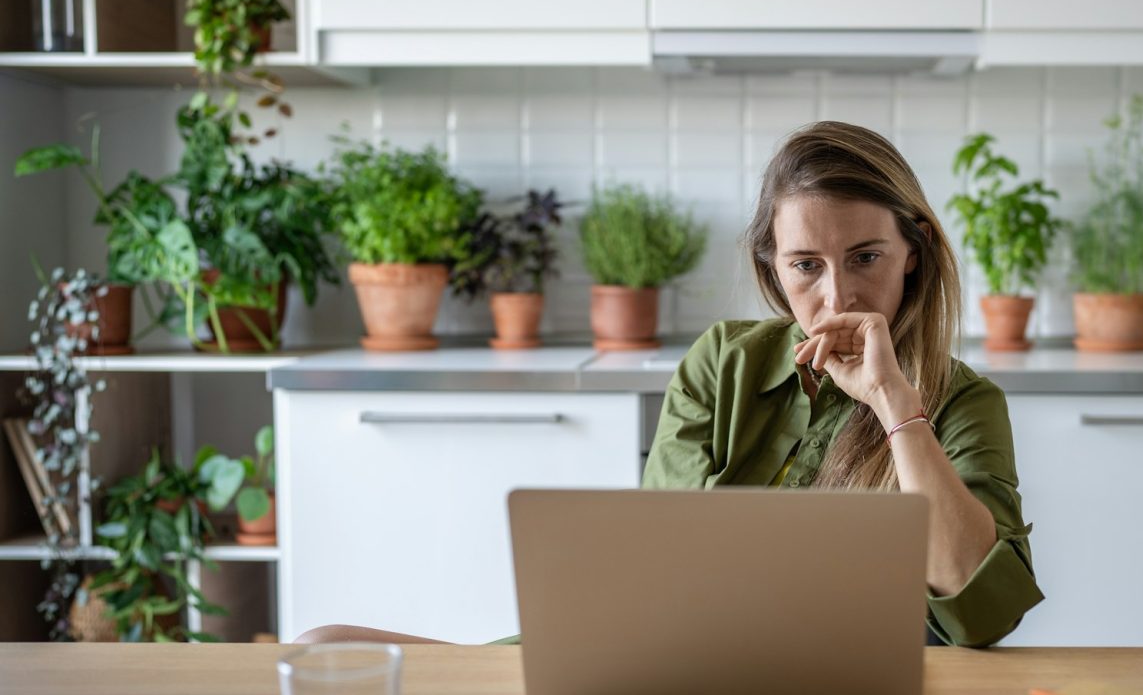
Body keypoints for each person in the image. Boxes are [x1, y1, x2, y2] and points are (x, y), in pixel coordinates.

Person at [296, 121, 1043, 648]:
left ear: (914, 252)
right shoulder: (724, 362)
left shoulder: (964, 403)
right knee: (325, 644)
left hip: (838, 694)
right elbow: (662, 571)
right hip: (666, 661)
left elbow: (981, 614)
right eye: (805, 265)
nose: (837, 295)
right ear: (774, 270)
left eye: (866, 257)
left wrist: (894, 407)